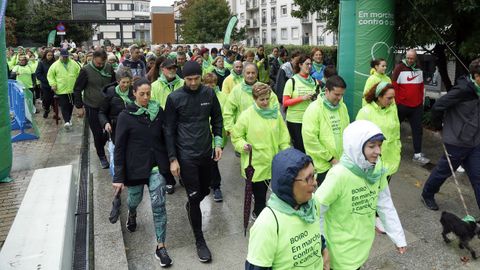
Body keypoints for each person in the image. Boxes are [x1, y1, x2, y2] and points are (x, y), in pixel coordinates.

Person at [315, 120, 407, 270]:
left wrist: (398, 237)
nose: (378, 151)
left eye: (379, 145)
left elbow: (384, 203)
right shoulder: (339, 175)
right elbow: (316, 210)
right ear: (356, 147)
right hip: (338, 252)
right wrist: (321, 247)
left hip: (362, 245)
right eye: (372, 146)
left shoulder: (376, 169)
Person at [163, 61, 223, 263]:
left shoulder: (209, 93)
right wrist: (173, 159)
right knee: (195, 196)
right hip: (186, 154)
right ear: (183, 78)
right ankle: (200, 240)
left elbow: (217, 119)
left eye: (196, 78)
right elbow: (168, 130)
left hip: (206, 152)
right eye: (189, 79)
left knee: (205, 191)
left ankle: (192, 203)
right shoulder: (174, 98)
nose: (193, 82)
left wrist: (218, 142)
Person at [113, 78, 172, 267]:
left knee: (159, 205)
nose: (146, 97)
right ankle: (132, 212)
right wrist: (118, 177)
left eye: (148, 93)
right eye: (142, 94)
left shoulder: (158, 112)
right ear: (134, 94)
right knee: (134, 200)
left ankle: (160, 246)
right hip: (135, 168)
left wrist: (172, 159)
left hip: (156, 167)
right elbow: (119, 147)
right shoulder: (125, 116)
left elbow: (167, 136)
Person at [245, 148, 327, 270]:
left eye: (314, 174)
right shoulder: (267, 224)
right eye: (308, 178)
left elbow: (315, 232)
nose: (315, 183)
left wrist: (324, 249)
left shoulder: (313, 202)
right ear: (287, 183)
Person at [421, 58, 480, 211]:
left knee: (478, 177)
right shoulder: (463, 90)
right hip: (456, 141)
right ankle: (427, 194)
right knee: (443, 172)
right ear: (476, 75)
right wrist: (439, 128)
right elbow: (438, 106)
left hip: (474, 142)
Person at [231, 82, 290, 218]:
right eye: (261, 99)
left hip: (274, 162)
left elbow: (283, 136)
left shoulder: (276, 114)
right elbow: (236, 136)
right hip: (256, 164)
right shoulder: (246, 116)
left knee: (276, 194)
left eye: (267, 99)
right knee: (260, 197)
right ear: (254, 99)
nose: (265, 102)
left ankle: (273, 216)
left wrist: (286, 153)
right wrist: (243, 145)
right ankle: (258, 216)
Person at [357, 82, 401, 233]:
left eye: (393, 98)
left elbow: (396, 132)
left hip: (390, 159)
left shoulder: (392, 109)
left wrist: (398, 148)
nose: (392, 101)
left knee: (383, 189)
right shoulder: (366, 112)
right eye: (389, 98)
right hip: (373, 161)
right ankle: (372, 217)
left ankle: (376, 215)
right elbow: (358, 139)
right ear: (379, 96)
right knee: (371, 190)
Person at [302, 75, 350, 185]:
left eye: (342, 95)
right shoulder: (314, 109)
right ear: (327, 91)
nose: (339, 98)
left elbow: (347, 132)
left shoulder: (342, 107)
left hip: (341, 162)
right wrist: (331, 159)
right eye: (336, 94)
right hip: (323, 166)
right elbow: (311, 140)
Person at [74, 49, 116, 169]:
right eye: (98, 63)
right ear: (93, 59)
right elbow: (77, 89)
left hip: (108, 106)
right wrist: (79, 106)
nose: (101, 65)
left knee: (109, 131)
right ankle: (102, 156)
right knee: (97, 133)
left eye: (103, 63)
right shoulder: (86, 70)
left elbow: (114, 85)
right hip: (93, 106)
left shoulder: (108, 68)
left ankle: (101, 145)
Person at [392, 49, 430, 164]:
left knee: (418, 130)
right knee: (395, 128)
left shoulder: (419, 68)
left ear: (415, 58)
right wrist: (397, 102)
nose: (409, 60)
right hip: (402, 105)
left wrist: (421, 101)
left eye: (412, 58)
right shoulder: (399, 68)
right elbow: (394, 86)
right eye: (408, 58)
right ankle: (393, 151)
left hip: (416, 106)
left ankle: (417, 154)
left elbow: (421, 86)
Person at [223, 63, 279, 135]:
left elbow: (275, 107)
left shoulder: (265, 88)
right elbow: (228, 111)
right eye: (248, 73)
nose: (250, 75)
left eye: (253, 73)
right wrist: (231, 129)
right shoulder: (236, 90)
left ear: (257, 74)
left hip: (263, 130)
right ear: (243, 74)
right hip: (243, 130)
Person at [99, 67, 134, 177]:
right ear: (118, 81)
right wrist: (105, 123)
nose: (126, 85)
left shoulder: (134, 92)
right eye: (123, 82)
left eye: (128, 82)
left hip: (131, 128)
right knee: (116, 154)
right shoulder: (110, 93)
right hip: (115, 129)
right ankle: (117, 177)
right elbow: (102, 112)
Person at [283, 54, 317, 153]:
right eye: (307, 64)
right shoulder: (292, 81)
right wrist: (302, 98)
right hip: (295, 121)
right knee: (300, 148)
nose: (309, 66)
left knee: (309, 148)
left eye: (311, 64)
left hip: (310, 119)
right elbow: (285, 102)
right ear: (300, 65)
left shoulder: (314, 81)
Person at [203, 73, 227, 202]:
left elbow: (225, 114)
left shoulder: (223, 97)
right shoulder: (200, 96)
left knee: (213, 161)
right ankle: (212, 183)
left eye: (213, 83)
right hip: (204, 135)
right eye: (207, 83)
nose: (210, 86)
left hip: (218, 135)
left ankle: (216, 186)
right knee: (210, 161)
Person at [47, 48, 81, 129]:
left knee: (71, 105)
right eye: (63, 57)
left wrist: (79, 85)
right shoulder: (54, 65)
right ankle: (66, 121)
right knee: (64, 105)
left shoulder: (74, 64)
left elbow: (79, 73)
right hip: (61, 89)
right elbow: (50, 76)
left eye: (66, 57)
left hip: (72, 88)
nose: (65, 58)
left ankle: (68, 119)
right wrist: (53, 84)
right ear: (60, 56)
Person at [35, 49, 55, 118]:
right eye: (48, 55)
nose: (50, 56)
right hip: (46, 85)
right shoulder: (41, 63)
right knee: (47, 99)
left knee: (55, 100)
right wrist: (46, 80)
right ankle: (46, 110)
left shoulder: (55, 63)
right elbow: (38, 74)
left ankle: (56, 113)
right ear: (45, 55)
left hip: (55, 85)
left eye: (51, 55)